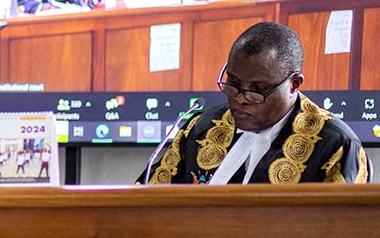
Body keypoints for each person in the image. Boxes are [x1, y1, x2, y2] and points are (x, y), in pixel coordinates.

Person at [142, 22, 370, 185]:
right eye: (233, 83)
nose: (241, 98)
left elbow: (343, 234)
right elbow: (147, 204)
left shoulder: (337, 145)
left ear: (294, 84)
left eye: (258, 90)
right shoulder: (201, 128)